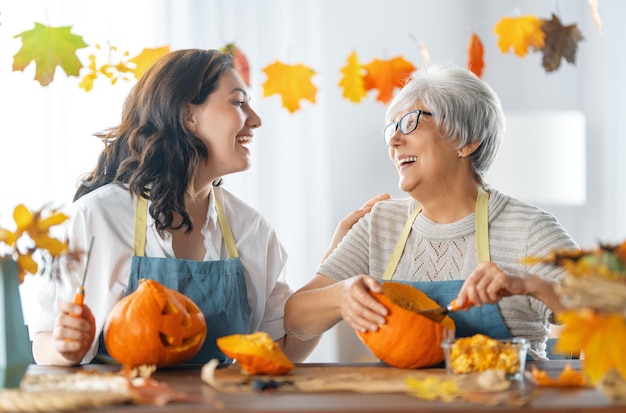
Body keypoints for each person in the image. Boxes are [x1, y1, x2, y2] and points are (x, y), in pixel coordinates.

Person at [28, 48, 386, 366]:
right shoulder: (97, 219)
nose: (255, 119)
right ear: (188, 116)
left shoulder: (251, 229)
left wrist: (335, 268)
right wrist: (64, 349)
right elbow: (43, 340)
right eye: (238, 102)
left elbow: (280, 349)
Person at [284, 64, 579, 360]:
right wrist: (341, 296)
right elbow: (295, 318)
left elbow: (606, 315)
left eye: (411, 122)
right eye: (392, 128)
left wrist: (533, 284)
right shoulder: (379, 225)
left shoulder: (528, 229)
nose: (394, 140)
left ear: (466, 140)